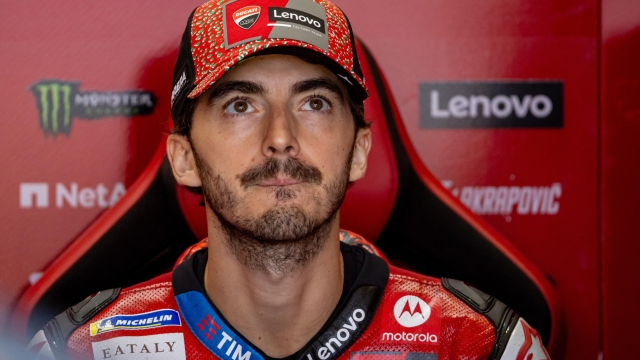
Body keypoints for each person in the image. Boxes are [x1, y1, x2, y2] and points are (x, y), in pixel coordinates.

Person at [27, 0, 551, 359]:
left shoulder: (477, 345)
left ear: (360, 151)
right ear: (182, 159)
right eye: (240, 105)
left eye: (315, 103)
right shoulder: (83, 350)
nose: (281, 137)